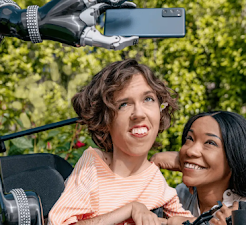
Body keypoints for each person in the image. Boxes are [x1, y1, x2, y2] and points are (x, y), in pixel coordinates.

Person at [47, 59, 195, 225]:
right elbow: (59, 222)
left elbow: (190, 221)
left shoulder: (156, 181)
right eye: (124, 104)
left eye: (148, 99)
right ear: (104, 121)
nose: (139, 113)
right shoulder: (93, 166)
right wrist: (130, 209)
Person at [151, 111, 246, 224]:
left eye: (210, 142)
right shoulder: (180, 195)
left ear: (235, 157)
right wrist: (152, 167)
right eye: (189, 138)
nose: (191, 151)